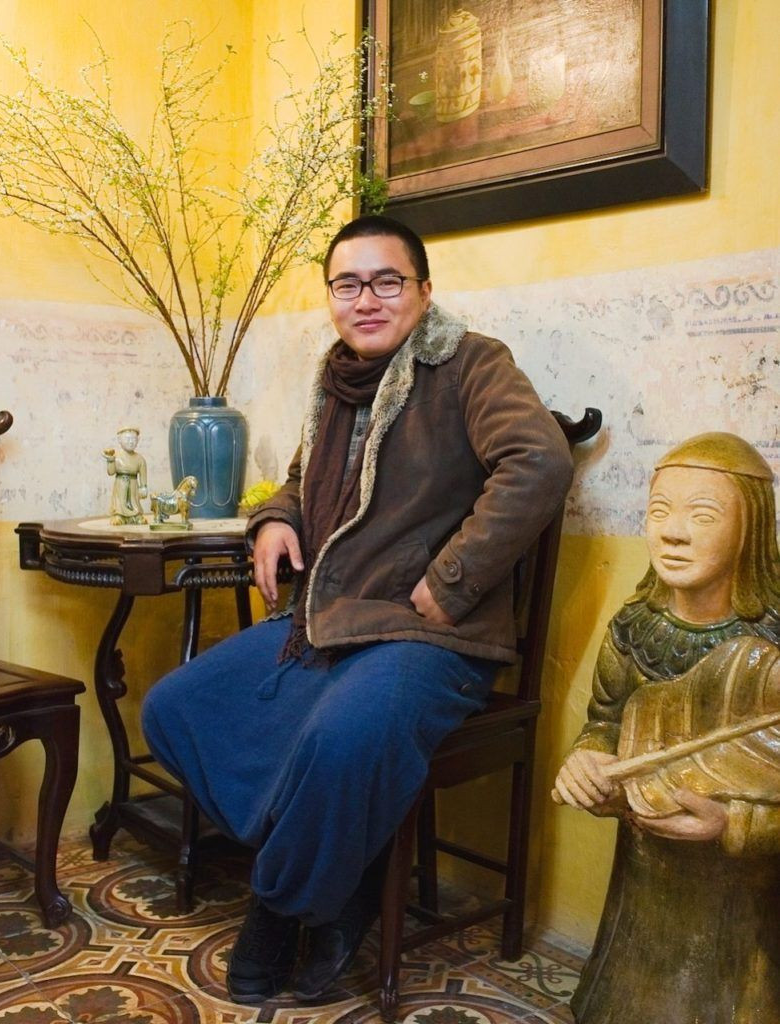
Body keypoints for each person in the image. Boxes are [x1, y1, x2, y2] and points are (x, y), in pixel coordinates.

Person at [142, 214, 573, 1004]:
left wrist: (452, 580)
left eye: (386, 281)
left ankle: (281, 908)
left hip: (431, 635)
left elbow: (539, 461)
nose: (365, 299)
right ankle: (344, 872)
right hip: (331, 623)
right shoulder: (336, 382)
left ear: (423, 291)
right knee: (175, 707)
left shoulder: (471, 363)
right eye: (347, 284)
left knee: (339, 739)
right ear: (332, 296)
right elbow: (301, 482)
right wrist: (275, 520)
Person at [553, 432, 780, 1024]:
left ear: (751, 529)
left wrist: (733, 824)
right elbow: (604, 724)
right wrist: (589, 764)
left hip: (746, 911)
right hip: (645, 883)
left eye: (702, 516)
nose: (672, 533)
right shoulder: (635, 630)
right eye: (658, 511)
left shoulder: (772, 649)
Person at [104, 426, 148, 525]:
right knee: (120, 501)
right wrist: (110, 460)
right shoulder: (116, 456)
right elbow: (111, 472)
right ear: (119, 440)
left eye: (134, 439)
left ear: (138, 440)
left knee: (134, 501)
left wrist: (143, 487)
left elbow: (143, 474)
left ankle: (135, 515)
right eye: (127, 439)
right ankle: (119, 515)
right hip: (120, 484)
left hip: (133, 485)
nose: (131, 442)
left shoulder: (140, 459)